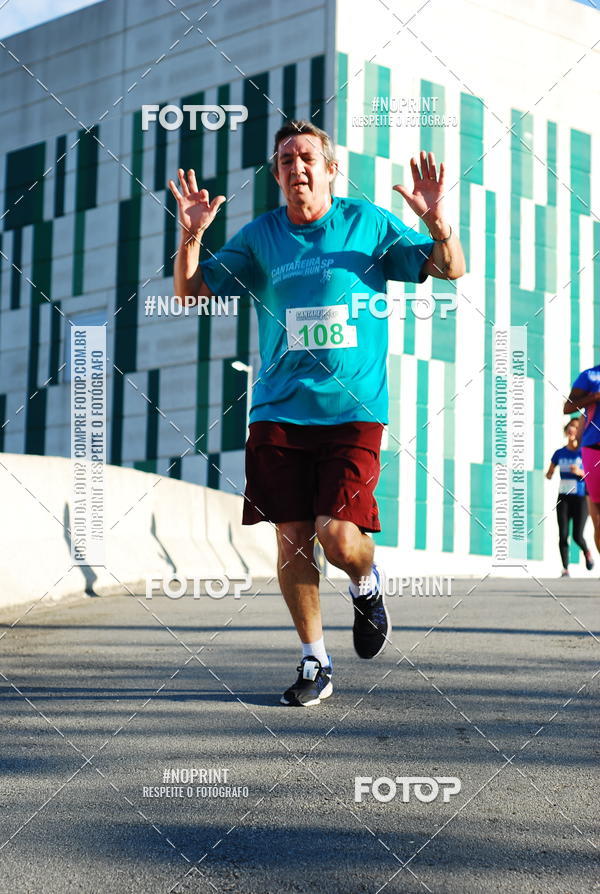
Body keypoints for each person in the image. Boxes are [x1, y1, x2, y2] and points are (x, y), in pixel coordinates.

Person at [168, 120, 466, 706]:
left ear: (330, 169)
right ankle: (315, 660)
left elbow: (449, 268)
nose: (296, 167)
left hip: (353, 409)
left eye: (306, 157)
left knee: (338, 536)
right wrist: (191, 236)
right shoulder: (261, 236)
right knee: (293, 538)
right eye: (285, 160)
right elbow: (190, 293)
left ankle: (366, 582)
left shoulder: (366, 224)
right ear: (277, 175)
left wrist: (436, 223)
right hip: (279, 410)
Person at [545, 418, 593, 576]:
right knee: (563, 534)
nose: (572, 429)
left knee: (577, 535)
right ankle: (565, 568)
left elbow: (591, 476)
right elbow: (549, 473)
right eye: (571, 426)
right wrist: (549, 474)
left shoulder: (584, 452)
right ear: (566, 431)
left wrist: (579, 472)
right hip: (563, 498)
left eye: (576, 427)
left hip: (580, 498)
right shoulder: (559, 453)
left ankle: (587, 552)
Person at [564, 364, 600, 560]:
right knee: (597, 522)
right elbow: (568, 408)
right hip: (594, 450)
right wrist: (595, 397)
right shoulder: (590, 376)